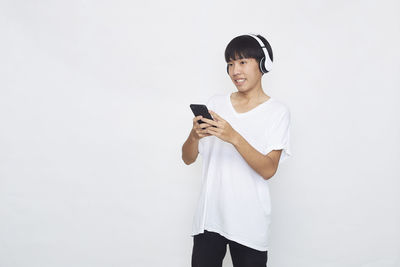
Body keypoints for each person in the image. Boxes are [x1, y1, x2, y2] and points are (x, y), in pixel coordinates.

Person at [181, 33, 291, 267]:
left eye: (242, 62)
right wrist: (193, 135)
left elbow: (269, 169)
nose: (235, 71)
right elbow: (187, 158)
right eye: (230, 64)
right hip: (209, 220)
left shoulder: (277, 112)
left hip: (249, 223)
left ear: (263, 64)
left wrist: (233, 137)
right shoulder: (215, 104)